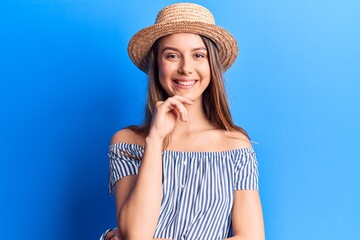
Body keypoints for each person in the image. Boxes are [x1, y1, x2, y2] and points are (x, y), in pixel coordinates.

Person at [100, 3, 265, 240]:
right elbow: (136, 233)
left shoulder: (236, 147)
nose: (186, 68)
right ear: (157, 64)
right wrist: (155, 140)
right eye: (172, 55)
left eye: (199, 55)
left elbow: (252, 237)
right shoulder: (127, 144)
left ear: (212, 65)